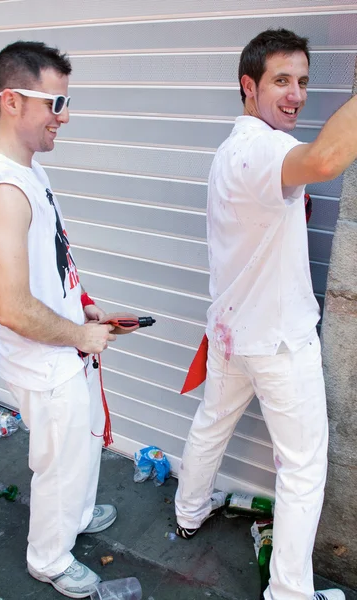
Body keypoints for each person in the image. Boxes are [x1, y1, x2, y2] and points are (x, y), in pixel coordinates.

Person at [175, 28, 357, 600]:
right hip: (277, 342)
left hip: (233, 332)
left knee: (212, 423)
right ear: (247, 86)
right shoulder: (265, 148)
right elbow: (326, 159)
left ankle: (188, 510)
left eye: (303, 82)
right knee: (303, 471)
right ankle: (289, 593)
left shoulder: (231, 149)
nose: (296, 95)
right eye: (282, 81)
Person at [0, 41, 130, 599]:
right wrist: (81, 334)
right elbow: (11, 306)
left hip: (65, 348)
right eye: (56, 102)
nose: (66, 115)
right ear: (12, 101)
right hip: (45, 360)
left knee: (80, 450)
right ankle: (49, 558)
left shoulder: (27, 170)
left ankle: (76, 516)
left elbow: (48, 266)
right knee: (59, 464)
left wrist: (84, 309)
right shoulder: (4, 190)